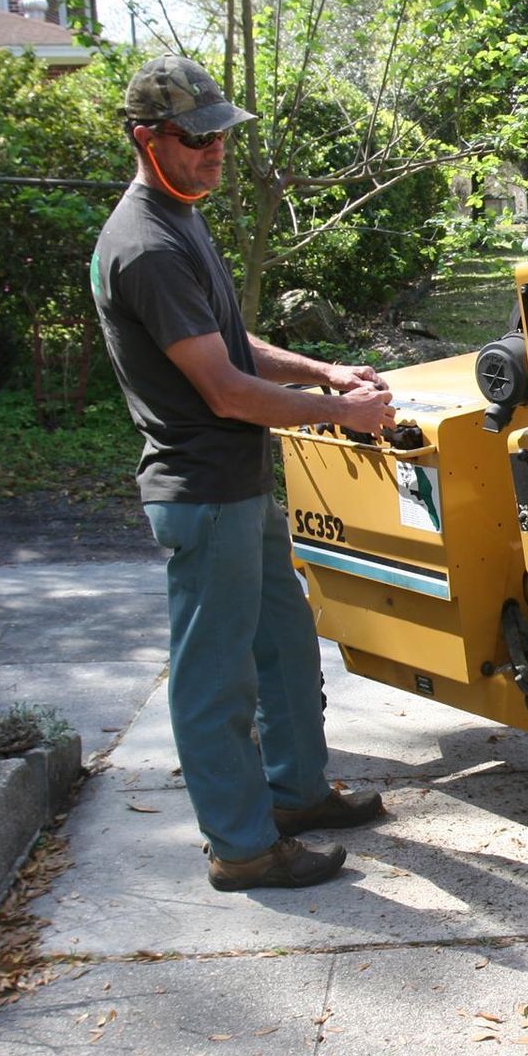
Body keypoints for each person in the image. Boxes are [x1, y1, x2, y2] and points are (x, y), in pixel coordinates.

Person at [90, 55, 394, 892]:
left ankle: (295, 797)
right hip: (203, 493)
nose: (216, 152)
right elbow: (224, 391)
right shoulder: (145, 244)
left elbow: (233, 345)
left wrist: (323, 373)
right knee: (215, 677)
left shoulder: (181, 215)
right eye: (198, 139)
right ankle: (242, 846)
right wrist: (345, 413)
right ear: (147, 139)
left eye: (222, 136)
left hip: (241, 487)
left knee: (286, 645)